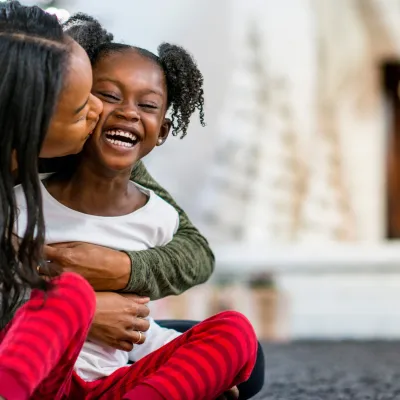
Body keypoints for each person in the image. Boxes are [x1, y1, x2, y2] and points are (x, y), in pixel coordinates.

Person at [13, 15, 258, 399]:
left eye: (146, 105)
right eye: (94, 101)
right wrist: (84, 310)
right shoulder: (21, 202)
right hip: (37, 367)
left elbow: (195, 254)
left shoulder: (152, 209)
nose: (123, 112)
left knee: (241, 346)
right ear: (36, 111)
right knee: (70, 294)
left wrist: (123, 268)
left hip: (107, 375)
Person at [0, 1, 102, 399]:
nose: (99, 110)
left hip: (45, 347)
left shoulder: (84, 154)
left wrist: (128, 268)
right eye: (80, 111)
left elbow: (189, 244)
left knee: (243, 354)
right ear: (24, 128)